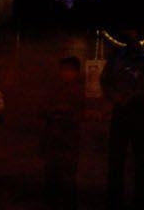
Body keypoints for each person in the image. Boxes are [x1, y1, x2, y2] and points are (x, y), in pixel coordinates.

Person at [101, 29, 144, 210]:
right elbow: (105, 81)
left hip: (140, 114)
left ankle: (141, 200)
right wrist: (115, 96)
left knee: (141, 160)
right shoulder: (116, 57)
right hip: (120, 113)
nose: (132, 35)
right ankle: (114, 199)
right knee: (115, 160)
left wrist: (138, 96)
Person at [39, 56, 85, 210]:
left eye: (69, 70)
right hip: (53, 136)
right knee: (52, 172)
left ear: (76, 72)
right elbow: (43, 108)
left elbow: (79, 113)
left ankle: (68, 203)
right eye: (64, 70)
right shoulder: (54, 89)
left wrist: (63, 111)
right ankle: (52, 201)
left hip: (69, 138)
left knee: (67, 174)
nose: (66, 73)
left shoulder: (79, 90)